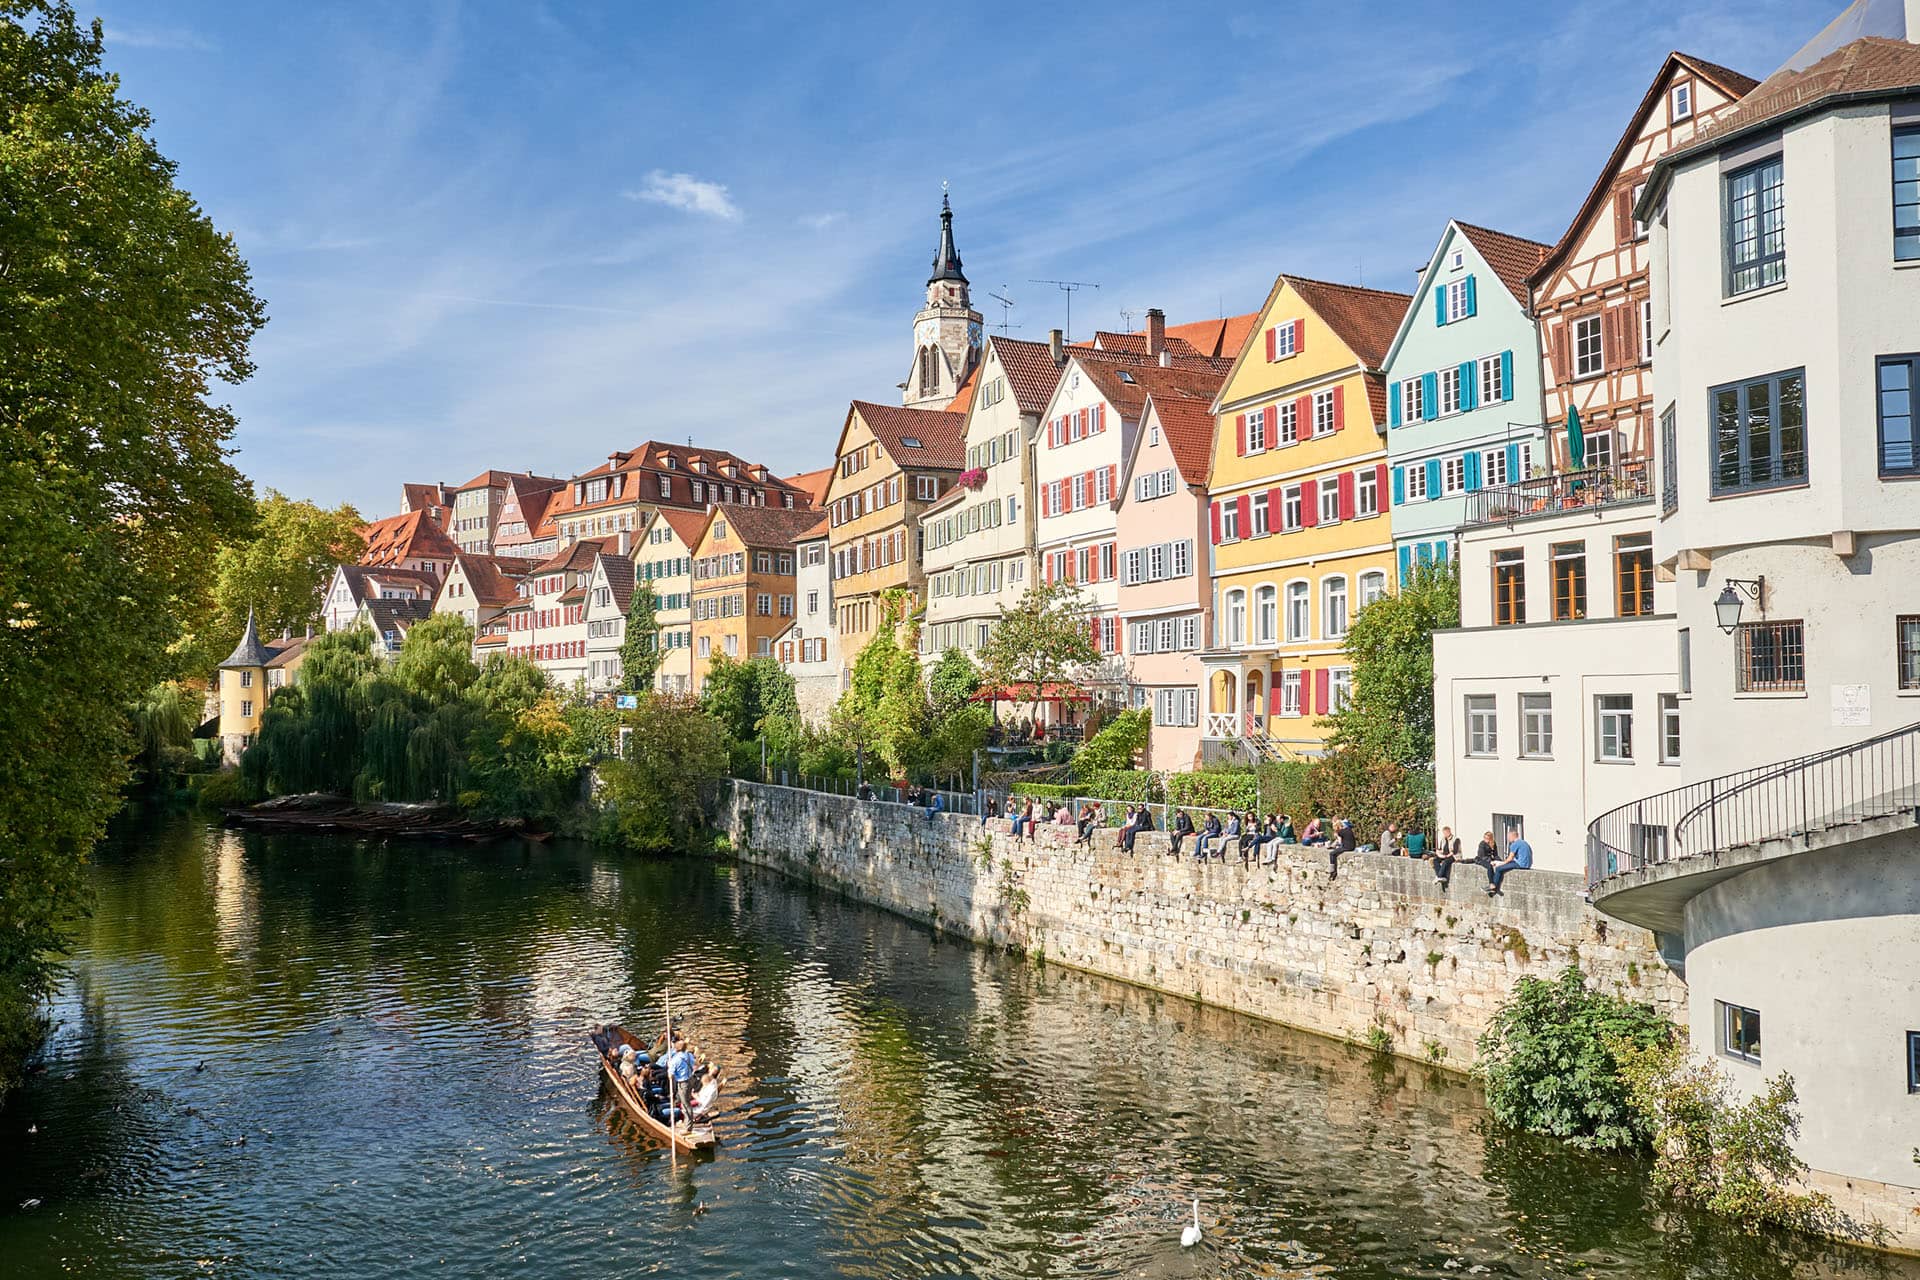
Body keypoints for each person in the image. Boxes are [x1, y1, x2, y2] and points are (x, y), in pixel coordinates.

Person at [1487, 828, 1533, 895]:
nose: (1508, 839)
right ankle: (1495, 888)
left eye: (1508, 837)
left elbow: (1510, 858)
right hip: (1528, 864)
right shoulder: (1524, 842)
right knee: (1505, 865)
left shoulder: (1515, 844)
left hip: (1521, 864)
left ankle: (1493, 887)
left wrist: (1501, 864)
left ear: (1512, 836)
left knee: (1498, 869)